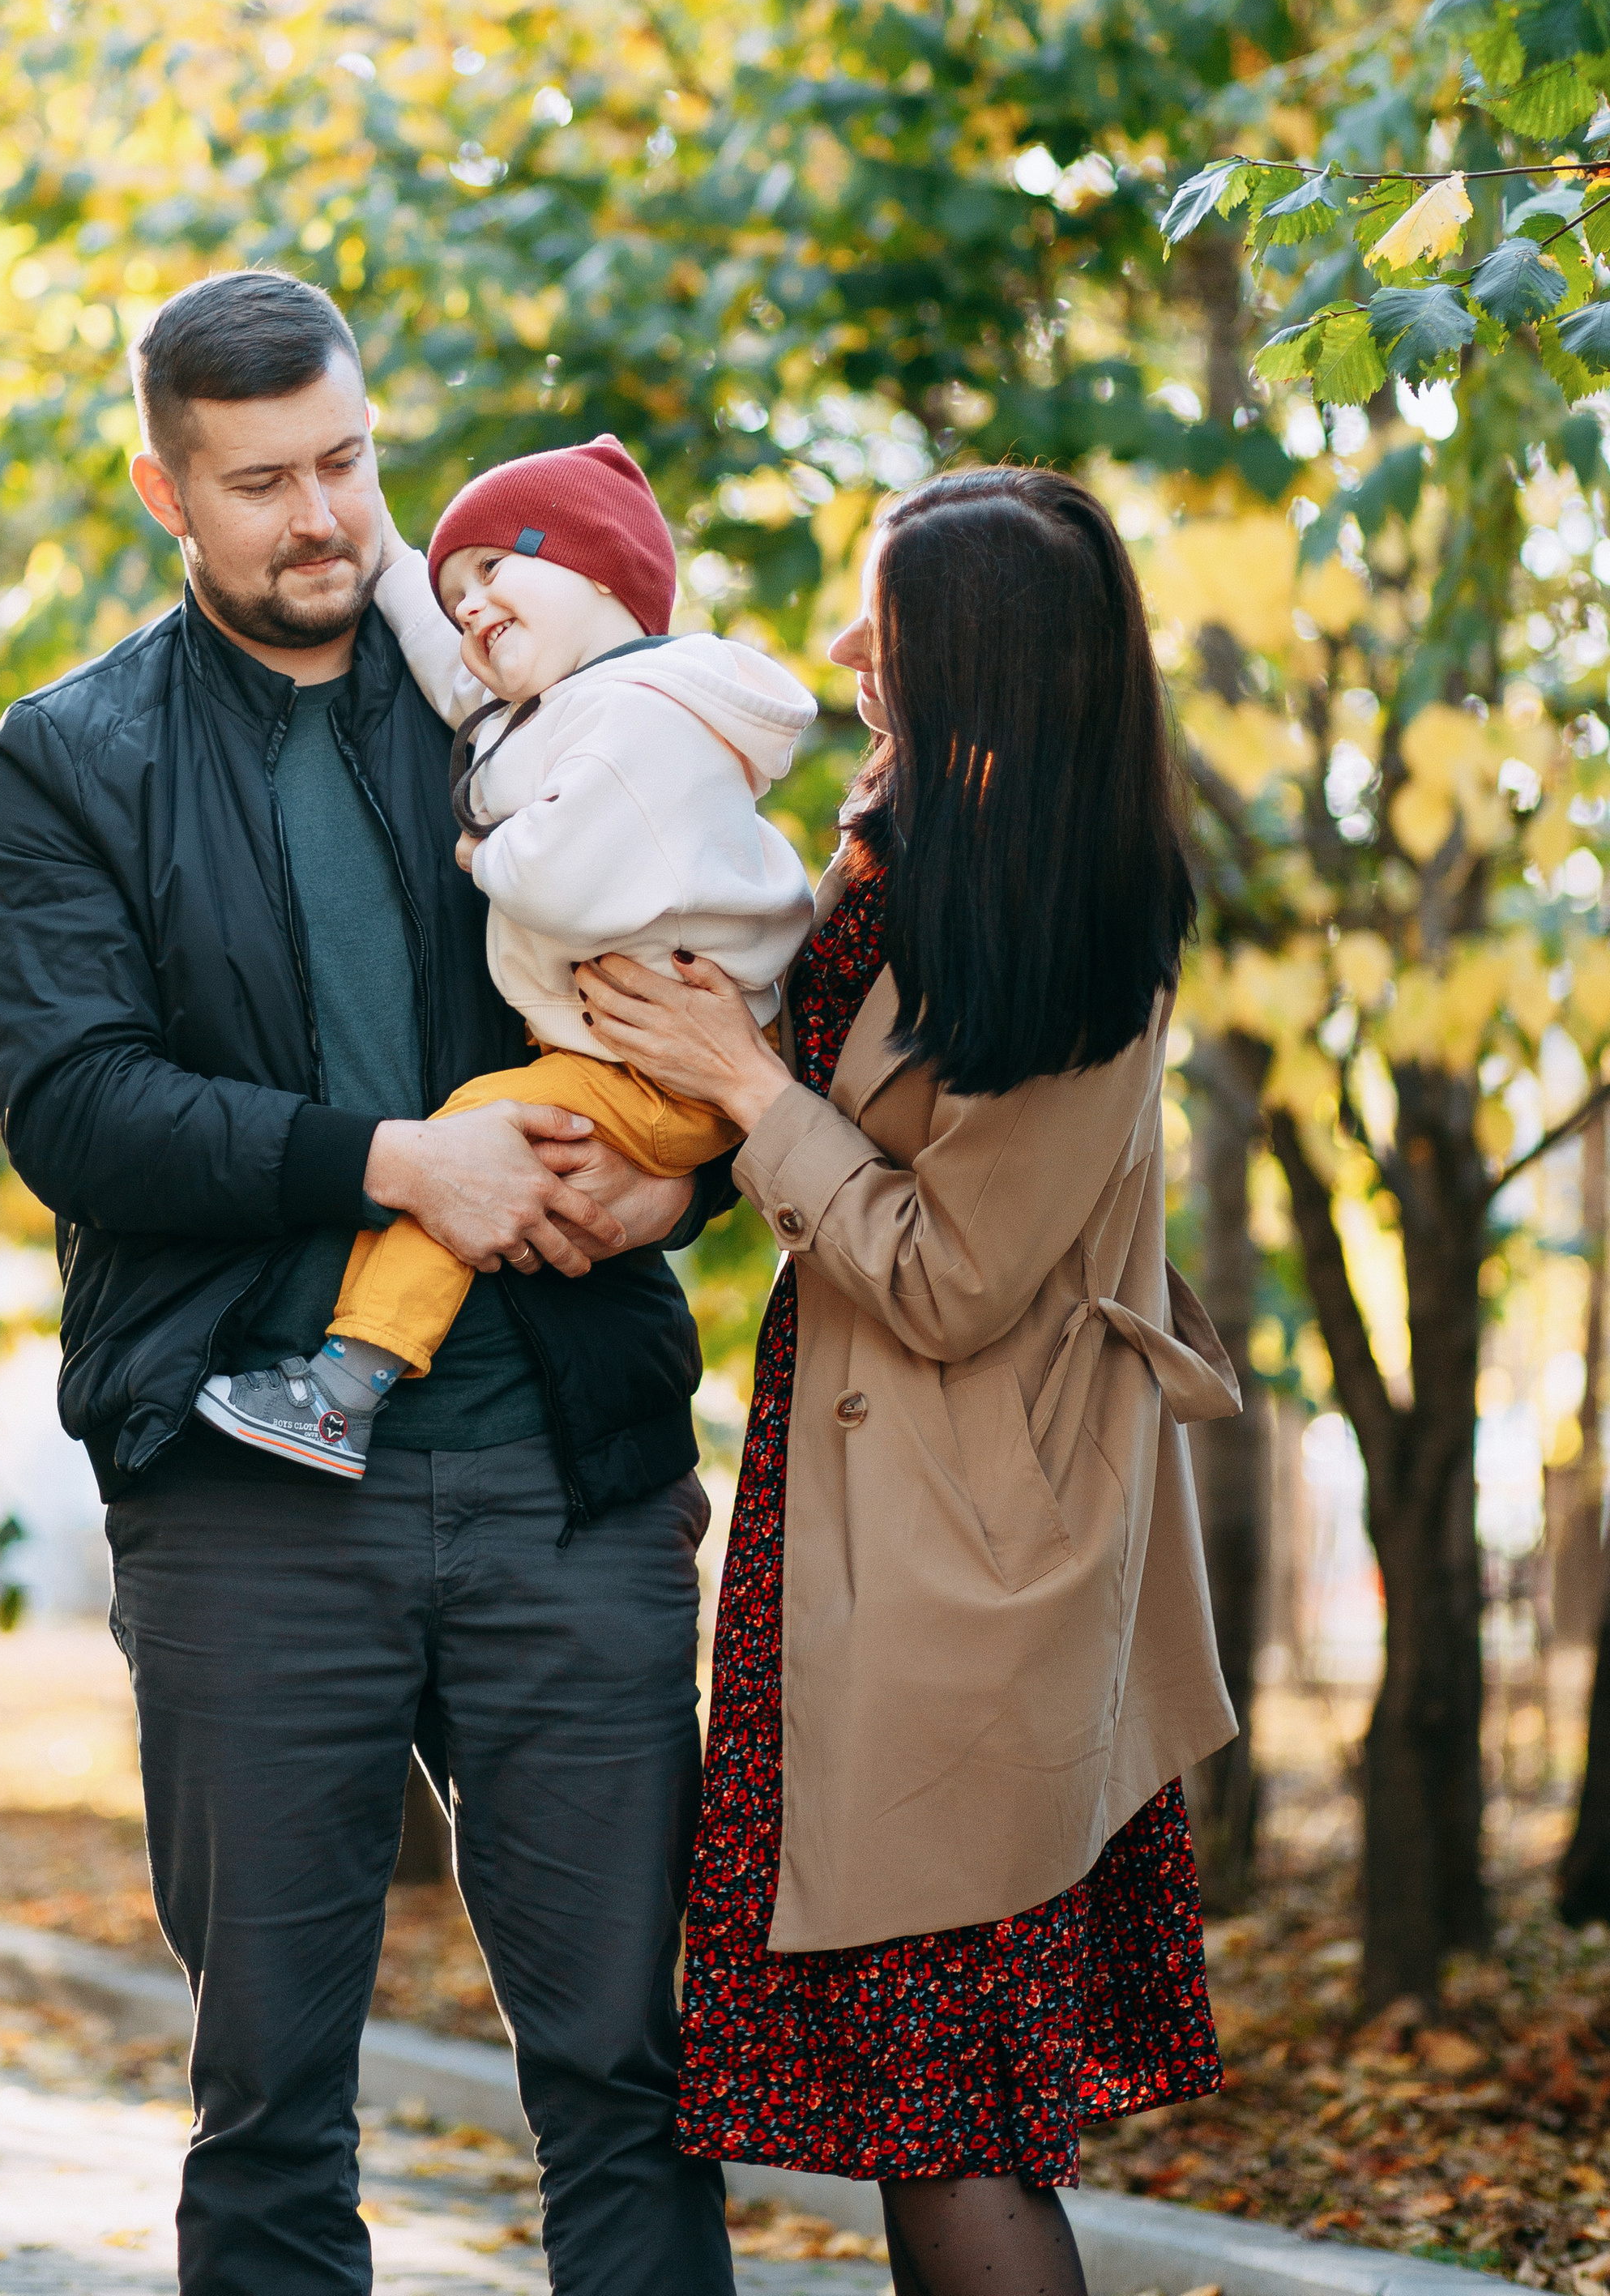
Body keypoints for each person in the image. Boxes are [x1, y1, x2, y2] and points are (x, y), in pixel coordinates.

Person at [0, 270, 736, 2296]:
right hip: (240, 1491)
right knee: (272, 2106)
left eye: (348, 462)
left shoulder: (522, 692)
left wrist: (676, 1197)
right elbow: (77, 1107)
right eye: (262, 485)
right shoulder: (72, 759)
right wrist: (397, 1161)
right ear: (163, 491)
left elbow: (706, 999)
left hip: (567, 1476)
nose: (323, 520)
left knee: (626, 2085)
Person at [575, 466, 1241, 2296]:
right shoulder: (915, 846)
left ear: (988, 672)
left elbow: (947, 1279)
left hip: (966, 1565)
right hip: (870, 1525)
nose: (849, 648)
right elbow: (781, 1102)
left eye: (891, 623)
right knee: (919, 2114)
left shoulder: (1072, 940)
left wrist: (749, 1092)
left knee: (951, 2122)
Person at [203, 431, 817, 1477]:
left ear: (598, 568)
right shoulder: (566, 701)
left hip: (657, 1070)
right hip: (625, 1057)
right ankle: (347, 1377)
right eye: (456, 598)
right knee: (476, 1154)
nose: (471, 608)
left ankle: (346, 1382)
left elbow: (565, 884)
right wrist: (394, 557)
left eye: (495, 570)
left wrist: (487, 853)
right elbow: (460, 683)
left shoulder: (647, 717)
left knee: (470, 1147)